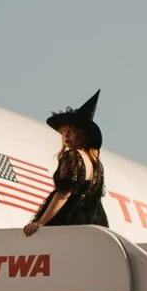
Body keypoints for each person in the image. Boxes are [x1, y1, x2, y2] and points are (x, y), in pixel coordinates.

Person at [23, 90, 108, 234]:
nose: (65, 135)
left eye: (71, 131)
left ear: (81, 135)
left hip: (68, 221)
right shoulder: (95, 163)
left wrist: (40, 223)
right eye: (64, 131)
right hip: (91, 224)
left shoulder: (73, 156)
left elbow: (64, 193)